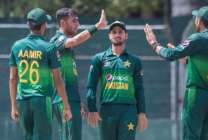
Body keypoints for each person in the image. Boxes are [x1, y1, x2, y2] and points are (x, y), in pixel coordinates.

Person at [144, 6, 208, 140]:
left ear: (199, 21)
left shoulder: (198, 38)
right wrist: (188, 61)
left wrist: (154, 43)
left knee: (190, 136)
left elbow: (170, 54)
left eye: (196, 17)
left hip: (196, 94)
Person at [9, 8, 72, 140]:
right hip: (42, 100)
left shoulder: (17, 46)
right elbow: (58, 80)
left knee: (28, 137)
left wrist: (14, 106)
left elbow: (12, 79)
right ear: (44, 25)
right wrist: (66, 107)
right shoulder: (49, 47)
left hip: (23, 100)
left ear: (28, 25)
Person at [50, 8, 107, 140]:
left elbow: (66, 76)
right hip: (64, 100)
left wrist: (77, 101)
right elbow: (74, 41)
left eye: (78, 20)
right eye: (74, 20)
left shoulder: (67, 48)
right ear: (63, 23)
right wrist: (97, 26)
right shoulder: (57, 40)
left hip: (70, 99)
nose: (77, 24)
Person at [86, 21, 148, 140]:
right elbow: (91, 86)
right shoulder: (99, 58)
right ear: (109, 35)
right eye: (114, 32)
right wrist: (92, 109)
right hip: (107, 110)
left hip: (128, 111)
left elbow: (139, 89)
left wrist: (142, 113)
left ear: (126, 35)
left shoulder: (135, 61)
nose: (117, 34)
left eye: (120, 32)